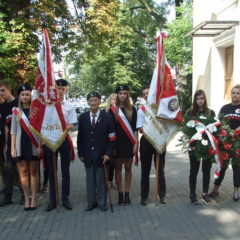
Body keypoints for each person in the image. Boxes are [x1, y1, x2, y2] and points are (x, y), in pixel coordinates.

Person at [77, 91, 116, 211]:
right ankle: (91, 203)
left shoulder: (108, 117)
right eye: (91, 100)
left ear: (100, 101)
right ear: (88, 102)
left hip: (102, 156)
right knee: (90, 181)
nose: (93, 102)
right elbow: (80, 138)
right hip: (88, 155)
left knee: (101, 181)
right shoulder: (83, 117)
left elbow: (112, 138)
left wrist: (108, 154)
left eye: (95, 100)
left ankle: (102, 203)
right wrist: (81, 153)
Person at [44, 79, 77, 211]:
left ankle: (65, 198)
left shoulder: (69, 105)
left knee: (65, 171)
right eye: (58, 88)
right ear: (54, 89)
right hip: (49, 140)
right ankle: (53, 199)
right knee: (51, 171)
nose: (60, 91)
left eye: (63, 89)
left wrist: (65, 128)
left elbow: (72, 124)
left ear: (66, 90)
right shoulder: (48, 105)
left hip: (63, 140)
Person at [11, 84, 41, 210]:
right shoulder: (16, 112)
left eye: (27, 94)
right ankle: (26, 198)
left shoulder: (36, 111)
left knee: (33, 172)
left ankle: (34, 198)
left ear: (31, 96)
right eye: (22, 94)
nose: (25, 97)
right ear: (19, 96)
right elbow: (13, 131)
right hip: (20, 145)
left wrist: (40, 145)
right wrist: (12, 148)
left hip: (34, 144)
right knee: (23, 173)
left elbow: (40, 130)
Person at [209, 84, 240, 201]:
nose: (235, 95)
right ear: (230, 94)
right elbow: (219, 122)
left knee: (237, 168)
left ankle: (236, 191)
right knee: (221, 167)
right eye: (233, 93)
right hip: (225, 143)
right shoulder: (225, 108)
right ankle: (215, 189)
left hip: (238, 143)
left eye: (238, 93)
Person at [137, 87, 167, 206]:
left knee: (160, 170)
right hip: (146, 142)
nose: (146, 95)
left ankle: (162, 195)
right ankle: (144, 196)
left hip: (159, 141)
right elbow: (140, 128)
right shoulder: (141, 110)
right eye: (144, 94)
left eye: (148, 93)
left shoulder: (160, 109)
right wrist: (151, 131)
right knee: (145, 170)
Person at [186, 89, 215, 204]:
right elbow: (187, 130)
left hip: (207, 147)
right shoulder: (190, 113)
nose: (200, 101)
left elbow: (214, 129)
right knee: (194, 170)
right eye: (197, 99)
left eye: (202, 98)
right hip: (194, 147)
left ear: (205, 99)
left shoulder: (210, 113)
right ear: (195, 100)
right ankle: (192, 194)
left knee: (206, 171)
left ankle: (205, 193)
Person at [110, 85, 138, 206]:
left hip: (129, 143)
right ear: (117, 95)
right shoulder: (112, 110)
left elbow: (135, 129)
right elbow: (110, 130)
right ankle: (120, 195)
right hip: (117, 144)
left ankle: (127, 194)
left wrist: (136, 143)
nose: (122, 95)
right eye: (120, 93)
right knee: (117, 170)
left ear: (127, 95)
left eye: (124, 93)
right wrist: (112, 146)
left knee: (128, 169)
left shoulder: (132, 109)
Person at [0, 82, 20, 207]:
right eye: (0, 91)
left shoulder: (19, 102)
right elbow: (6, 127)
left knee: (23, 169)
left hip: (23, 141)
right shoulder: (2, 107)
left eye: (3, 90)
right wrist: (7, 144)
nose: (1, 93)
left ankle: (25, 194)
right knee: (8, 169)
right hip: (11, 142)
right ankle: (8, 196)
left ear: (9, 89)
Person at [105, 93, 117, 188]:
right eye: (113, 99)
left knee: (117, 164)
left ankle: (113, 181)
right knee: (110, 163)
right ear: (110, 101)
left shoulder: (121, 111)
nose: (115, 101)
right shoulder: (107, 112)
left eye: (116, 100)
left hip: (120, 141)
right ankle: (108, 181)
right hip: (110, 141)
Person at [0, 95, 5, 192]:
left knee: (9, 164)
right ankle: (5, 185)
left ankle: (17, 183)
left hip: (6, 139)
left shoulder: (5, 106)